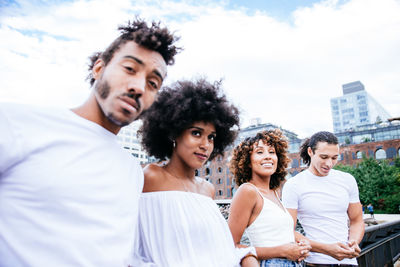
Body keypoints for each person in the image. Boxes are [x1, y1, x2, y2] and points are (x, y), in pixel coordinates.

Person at [0, 18, 179, 266]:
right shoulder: (15, 123)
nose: (139, 87)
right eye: (129, 68)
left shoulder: (132, 171)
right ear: (99, 69)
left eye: (153, 83)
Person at [137, 79, 258, 267]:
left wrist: (247, 257)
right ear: (173, 132)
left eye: (211, 137)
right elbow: (133, 251)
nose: (205, 145)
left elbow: (219, 250)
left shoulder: (207, 189)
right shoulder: (151, 177)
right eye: (196, 133)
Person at [228, 129, 311, 267]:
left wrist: (302, 241)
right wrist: (283, 251)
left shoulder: (275, 192)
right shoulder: (248, 191)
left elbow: (277, 232)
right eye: (260, 152)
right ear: (247, 161)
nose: (268, 156)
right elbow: (230, 245)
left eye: (272, 152)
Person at [282, 131, 365, 267]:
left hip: (349, 261)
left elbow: (357, 220)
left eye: (334, 158)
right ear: (310, 152)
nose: (329, 163)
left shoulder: (347, 180)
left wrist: (354, 242)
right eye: (324, 157)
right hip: (316, 262)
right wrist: (327, 249)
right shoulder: (294, 185)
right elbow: (286, 230)